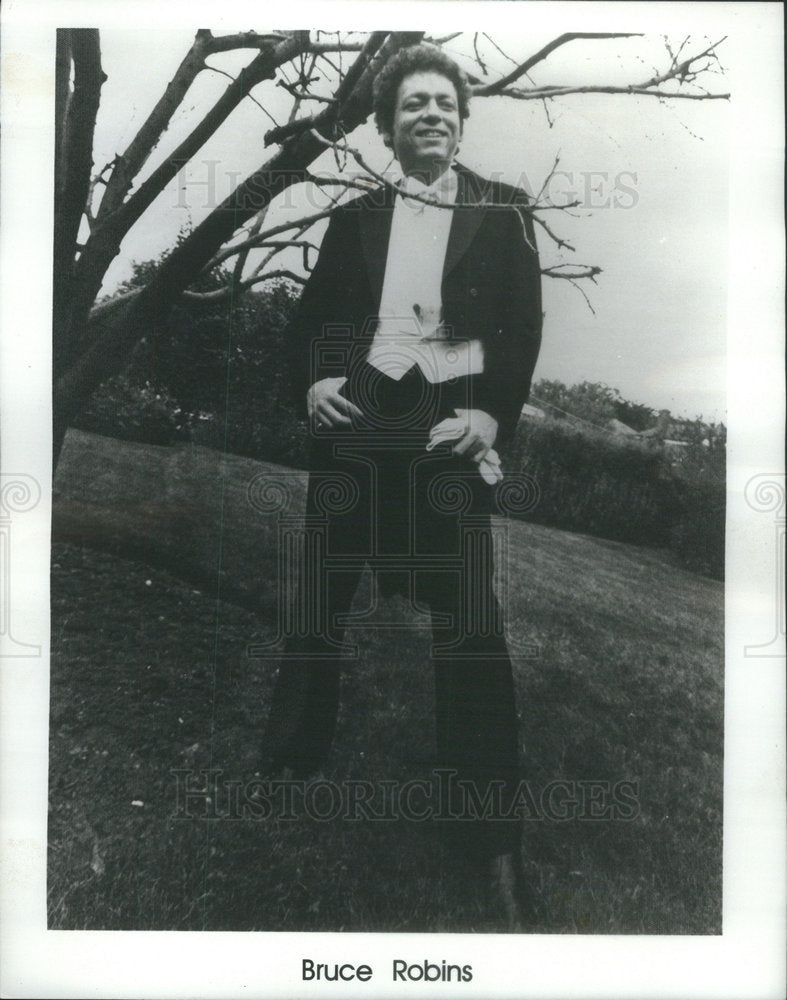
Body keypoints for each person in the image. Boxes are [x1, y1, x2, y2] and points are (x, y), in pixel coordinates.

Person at [262, 44, 543, 928]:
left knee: (470, 628)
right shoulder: (353, 222)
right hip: (357, 434)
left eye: (444, 102)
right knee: (319, 605)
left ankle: (486, 830)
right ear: (386, 130)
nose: (430, 114)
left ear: (461, 119)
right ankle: (289, 766)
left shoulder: (504, 213)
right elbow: (312, 326)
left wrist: (493, 418)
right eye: (412, 104)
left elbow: (520, 330)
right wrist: (313, 383)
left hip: (446, 436)